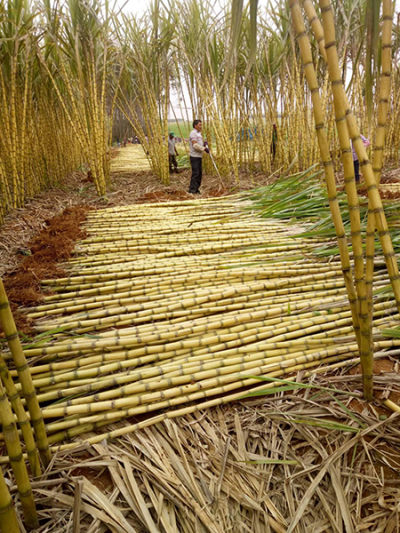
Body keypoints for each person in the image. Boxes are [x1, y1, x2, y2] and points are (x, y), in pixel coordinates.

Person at [188, 119, 209, 194]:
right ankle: (192, 190)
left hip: (199, 156)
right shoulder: (193, 133)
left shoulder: (199, 134)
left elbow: (199, 144)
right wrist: (204, 148)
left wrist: (204, 144)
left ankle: (196, 189)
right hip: (194, 156)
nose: (201, 126)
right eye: (199, 125)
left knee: (199, 173)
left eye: (201, 125)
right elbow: (195, 145)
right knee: (196, 173)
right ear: (195, 125)